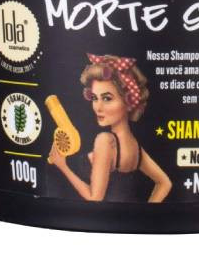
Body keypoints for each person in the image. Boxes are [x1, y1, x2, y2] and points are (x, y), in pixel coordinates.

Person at [48, 54, 172, 202]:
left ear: (128, 102)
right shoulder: (136, 148)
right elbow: (165, 183)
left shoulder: (105, 141)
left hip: (90, 215)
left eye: (107, 98)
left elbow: (94, 198)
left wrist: (63, 167)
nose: (98, 107)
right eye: (95, 98)